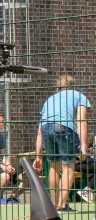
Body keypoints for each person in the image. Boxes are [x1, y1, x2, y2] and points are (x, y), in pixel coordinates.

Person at [37, 75, 90, 212]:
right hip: (63, 128)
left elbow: (40, 131)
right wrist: (83, 145)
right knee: (68, 167)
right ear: (73, 86)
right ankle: (62, 204)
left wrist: (38, 156)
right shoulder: (78, 95)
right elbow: (81, 121)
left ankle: (54, 205)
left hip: (46, 129)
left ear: (57, 87)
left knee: (54, 166)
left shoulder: (49, 100)